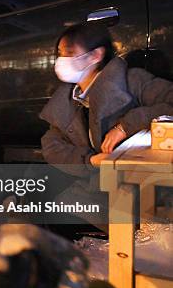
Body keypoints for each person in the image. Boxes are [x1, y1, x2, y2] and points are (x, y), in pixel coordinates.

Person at [39, 22, 173, 228]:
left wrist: (125, 126)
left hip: (146, 187)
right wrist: (90, 160)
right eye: (60, 53)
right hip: (101, 188)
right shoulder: (68, 100)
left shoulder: (132, 81)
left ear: (96, 55)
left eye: (70, 53)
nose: (61, 61)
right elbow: (51, 146)